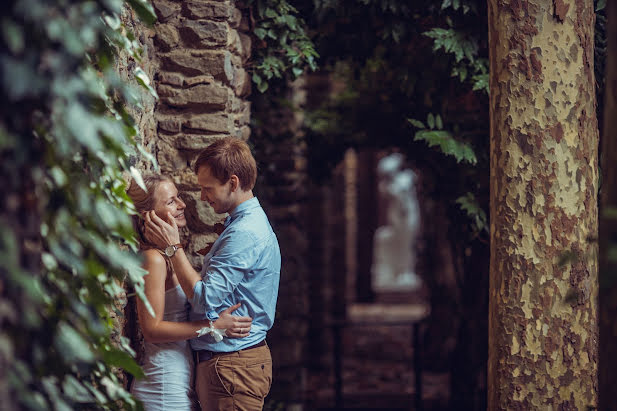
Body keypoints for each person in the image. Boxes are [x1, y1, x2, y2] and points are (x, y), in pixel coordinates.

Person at [144, 137, 281, 411]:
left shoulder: (243, 232)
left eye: (208, 189)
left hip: (232, 367)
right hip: (226, 366)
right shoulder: (241, 224)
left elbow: (205, 300)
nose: (202, 198)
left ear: (233, 183)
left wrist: (173, 248)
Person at [125, 174, 253, 411]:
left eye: (178, 198)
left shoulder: (167, 256)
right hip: (163, 385)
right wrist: (213, 326)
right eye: (171, 201)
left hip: (179, 379)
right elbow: (151, 330)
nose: (182, 205)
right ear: (149, 216)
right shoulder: (153, 259)